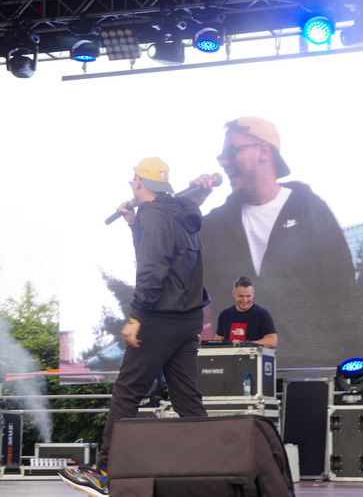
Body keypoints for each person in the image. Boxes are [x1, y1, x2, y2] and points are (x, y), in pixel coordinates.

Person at [59, 157, 210, 496]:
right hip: (188, 319)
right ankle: (218, 471)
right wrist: (133, 225)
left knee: (127, 392)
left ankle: (104, 474)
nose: (131, 185)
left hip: (160, 318)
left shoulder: (153, 215)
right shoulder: (180, 213)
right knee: (187, 400)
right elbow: (165, 256)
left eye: (132, 180)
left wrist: (136, 317)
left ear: (139, 182)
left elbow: (152, 269)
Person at [192, 117, 360, 367]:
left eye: (233, 152)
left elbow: (342, 294)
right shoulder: (214, 225)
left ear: (263, 151)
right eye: (222, 157)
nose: (225, 163)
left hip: (309, 366)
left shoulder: (309, 209)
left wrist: (360, 363)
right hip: (240, 368)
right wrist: (188, 209)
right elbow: (175, 273)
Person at [215, 276, 278, 349]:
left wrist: (247, 344)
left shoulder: (262, 314)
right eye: (241, 296)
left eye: (248, 296)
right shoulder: (224, 315)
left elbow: (272, 341)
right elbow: (218, 343)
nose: (245, 300)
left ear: (253, 293)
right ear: (233, 294)